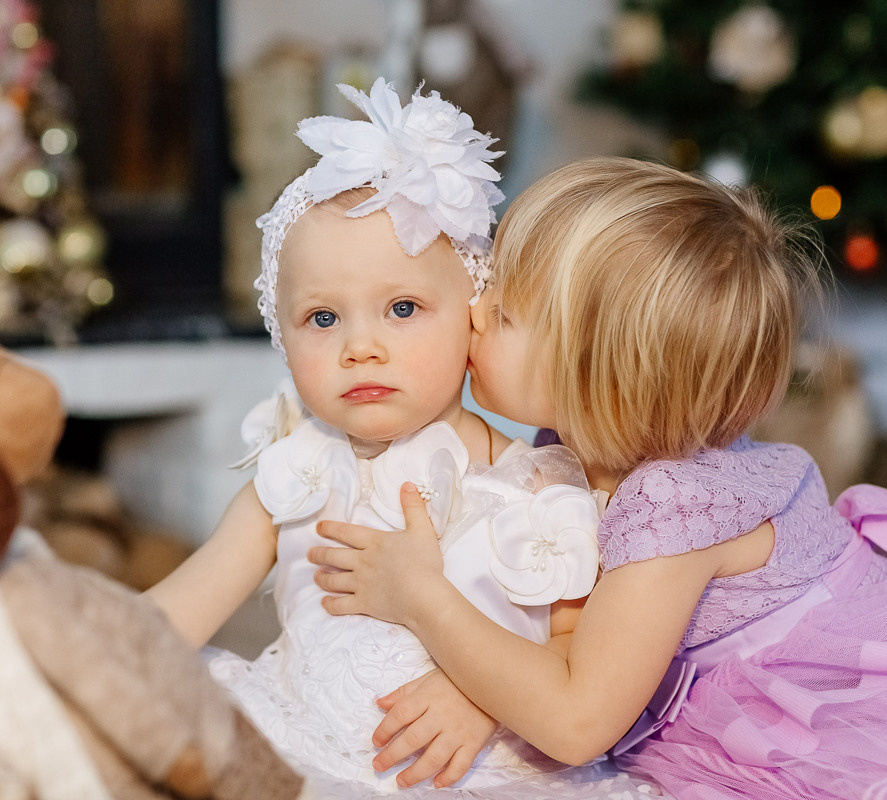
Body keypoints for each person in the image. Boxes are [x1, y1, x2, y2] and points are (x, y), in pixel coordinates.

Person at [309, 156, 887, 800]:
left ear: (602, 380)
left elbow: (580, 718)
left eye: (506, 313)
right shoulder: (596, 439)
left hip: (831, 693)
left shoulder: (670, 509)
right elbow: (561, 613)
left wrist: (421, 596)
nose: (474, 312)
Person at [148, 81, 657, 798]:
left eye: (403, 308)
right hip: (300, 738)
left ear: (472, 314)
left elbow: (573, 651)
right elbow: (177, 613)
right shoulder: (297, 472)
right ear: (282, 335)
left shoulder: (539, 486)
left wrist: (483, 703)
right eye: (323, 320)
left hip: (481, 773)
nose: (362, 346)